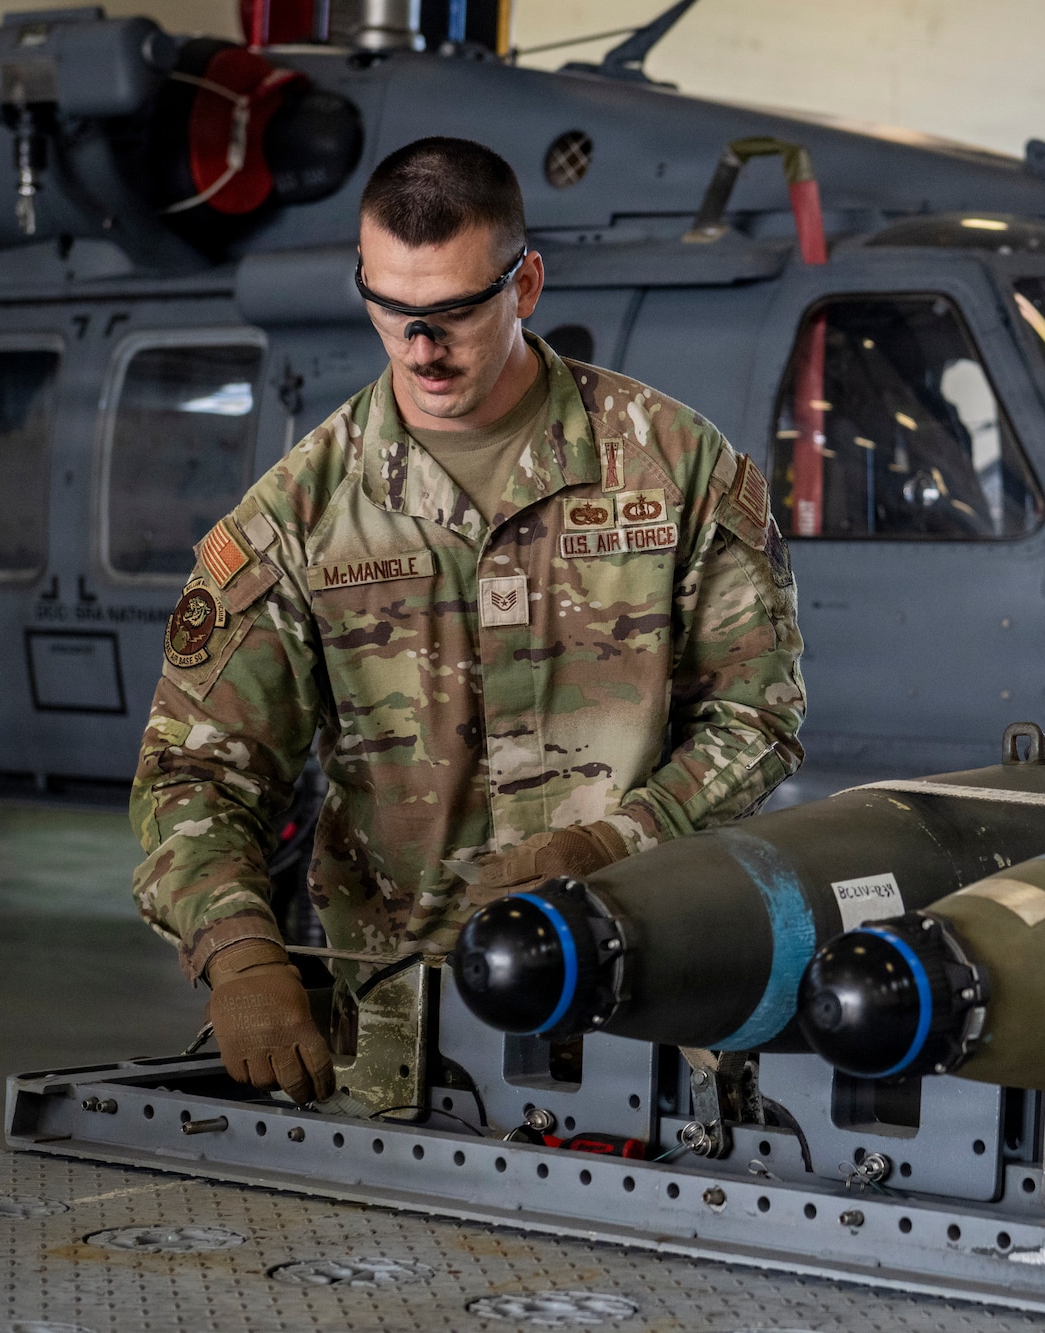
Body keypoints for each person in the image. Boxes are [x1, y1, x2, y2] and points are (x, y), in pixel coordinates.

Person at [129, 136, 806, 1106]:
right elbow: (194, 769)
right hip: (404, 1049)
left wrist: (612, 843)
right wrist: (239, 951)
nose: (418, 348)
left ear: (524, 283)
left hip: (640, 1020)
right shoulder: (301, 513)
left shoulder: (672, 466)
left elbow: (757, 714)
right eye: (391, 310)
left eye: (450, 312)